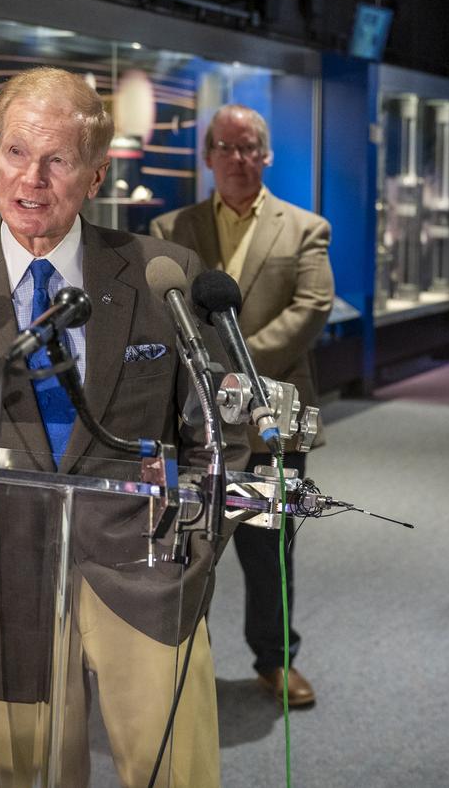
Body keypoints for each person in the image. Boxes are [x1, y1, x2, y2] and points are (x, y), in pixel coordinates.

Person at [0, 67, 248, 787]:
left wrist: (192, 553)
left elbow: (221, 436)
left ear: (96, 174)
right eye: (16, 152)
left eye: (58, 160)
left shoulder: (164, 273)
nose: (31, 179)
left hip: (147, 574)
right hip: (5, 580)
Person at [150, 103, 334, 708]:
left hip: (268, 423)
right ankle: (184, 663)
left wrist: (235, 367)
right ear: (207, 156)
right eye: (225, 147)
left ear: (266, 155)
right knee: (186, 551)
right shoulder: (168, 229)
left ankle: (276, 661)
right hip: (191, 427)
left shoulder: (304, 228)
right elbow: (159, 314)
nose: (237, 158)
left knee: (268, 550)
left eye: (249, 146)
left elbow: (310, 308)